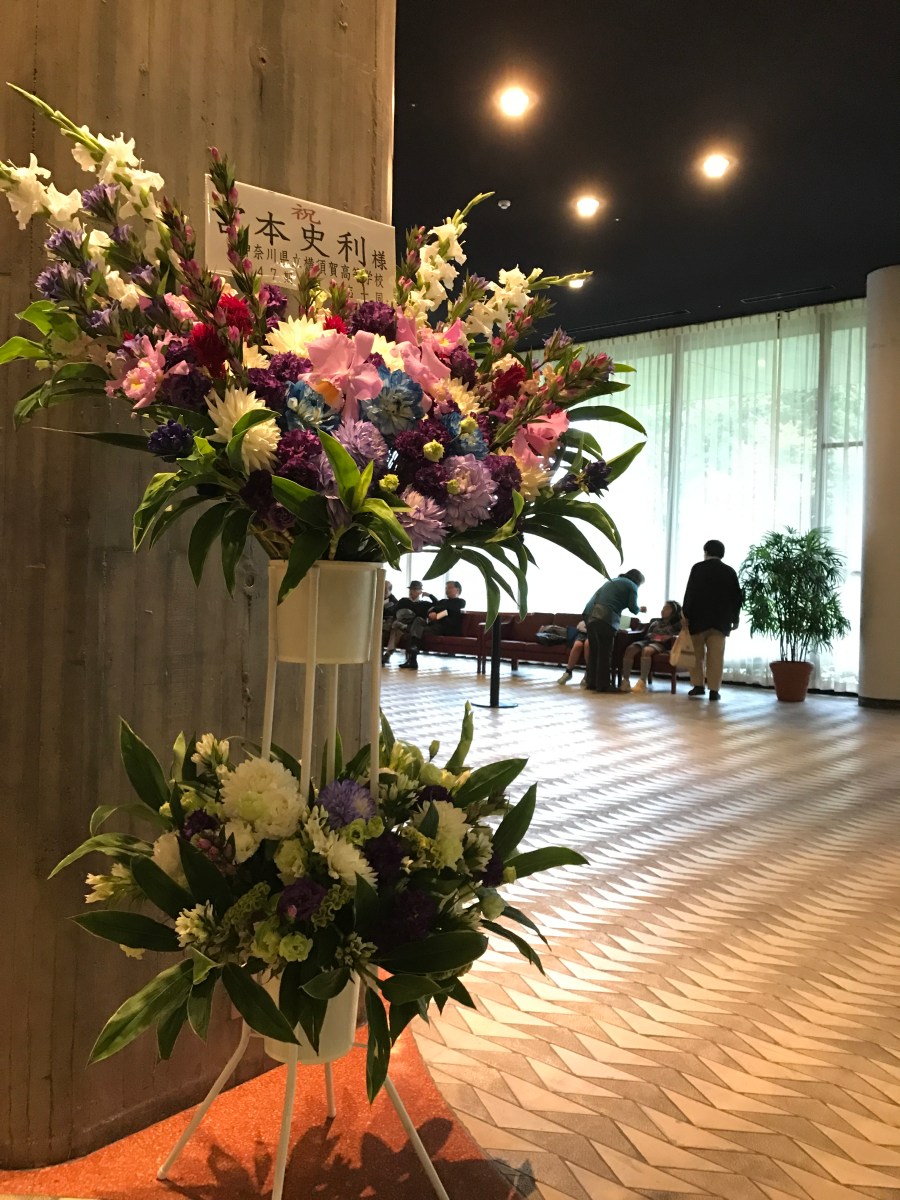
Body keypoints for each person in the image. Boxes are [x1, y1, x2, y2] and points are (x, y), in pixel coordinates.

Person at [681, 539, 743, 702]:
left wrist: (685, 615)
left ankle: (698, 686)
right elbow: (736, 597)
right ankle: (714, 690)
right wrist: (735, 618)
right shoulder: (729, 571)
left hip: (698, 619)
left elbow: (690, 593)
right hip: (720, 622)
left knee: (696, 655)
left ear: (706, 552)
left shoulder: (697, 568)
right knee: (716, 657)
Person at [583, 570, 646, 692]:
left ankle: (591, 683)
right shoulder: (632, 586)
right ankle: (603, 685)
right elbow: (633, 608)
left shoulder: (613, 580)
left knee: (594, 650)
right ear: (638, 581)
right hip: (604, 617)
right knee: (605, 652)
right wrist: (640, 610)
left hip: (588, 613)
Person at [399, 580, 466, 670]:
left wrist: (437, 615)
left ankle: (412, 658)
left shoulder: (460, 602)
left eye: (449, 588)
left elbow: (448, 610)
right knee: (418, 620)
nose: (447, 590)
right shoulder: (443, 601)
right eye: (446, 588)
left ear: (457, 590)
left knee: (415, 630)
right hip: (433, 625)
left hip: (445, 628)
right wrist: (432, 612)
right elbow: (433, 607)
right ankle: (413, 651)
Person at [618, 601, 683, 692]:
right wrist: (651, 635)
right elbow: (648, 633)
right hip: (649, 640)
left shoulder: (677, 624)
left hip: (663, 644)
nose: (663, 610)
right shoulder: (655, 621)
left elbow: (680, 635)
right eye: (663, 608)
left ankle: (642, 682)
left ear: (674, 611)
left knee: (647, 650)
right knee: (630, 649)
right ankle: (625, 681)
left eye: (667, 608)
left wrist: (668, 637)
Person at [382, 580, 436, 664]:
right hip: (401, 625)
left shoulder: (424, 604)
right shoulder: (403, 601)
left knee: (398, 628)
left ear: (420, 591)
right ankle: (388, 654)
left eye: (414, 589)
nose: (411, 591)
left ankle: (388, 654)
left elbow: (438, 604)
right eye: (411, 589)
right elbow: (394, 613)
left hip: (414, 627)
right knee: (395, 629)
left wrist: (430, 595)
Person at [557, 621, 588, 685]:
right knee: (578, 645)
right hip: (583, 632)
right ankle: (568, 672)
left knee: (588, 644)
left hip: (594, 632)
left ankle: (589, 673)